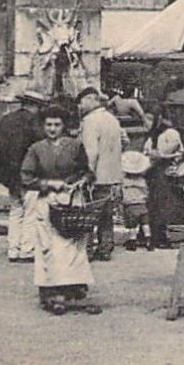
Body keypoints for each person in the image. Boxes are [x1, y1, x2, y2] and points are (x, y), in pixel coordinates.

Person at [19, 107, 97, 314]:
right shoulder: (36, 149)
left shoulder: (75, 146)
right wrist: (48, 184)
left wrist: (81, 182)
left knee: (73, 248)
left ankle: (74, 289)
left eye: (57, 125)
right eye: (49, 125)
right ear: (43, 126)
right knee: (50, 247)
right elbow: (26, 177)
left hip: (72, 200)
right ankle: (52, 291)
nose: (52, 129)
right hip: (48, 201)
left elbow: (87, 172)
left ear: (64, 126)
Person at [0, 91, 46, 263]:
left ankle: (13, 249)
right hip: (29, 174)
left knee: (15, 210)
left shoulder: (7, 119)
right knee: (31, 211)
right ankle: (27, 249)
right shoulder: (35, 123)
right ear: (34, 106)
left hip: (10, 174)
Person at [76, 88, 124, 261]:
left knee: (88, 213)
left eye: (81, 102)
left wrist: (87, 174)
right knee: (106, 214)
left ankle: (87, 249)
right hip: (111, 175)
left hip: (96, 176)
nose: (80, 106)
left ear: (90, 100)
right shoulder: (112, 120)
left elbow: (91, 152)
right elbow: (123, 142)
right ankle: (105, 248)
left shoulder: (90, 121)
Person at [143, 109, 184, 249]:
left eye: (150, 119)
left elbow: (175, 151)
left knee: (170, 204)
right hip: (154, 172)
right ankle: (158, 236)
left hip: (169, 172)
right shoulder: (152, 136)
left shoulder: (171, 133)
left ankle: (174, 236)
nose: (147, 123)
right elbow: (147, 152)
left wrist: (160, 155)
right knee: (155, 204)